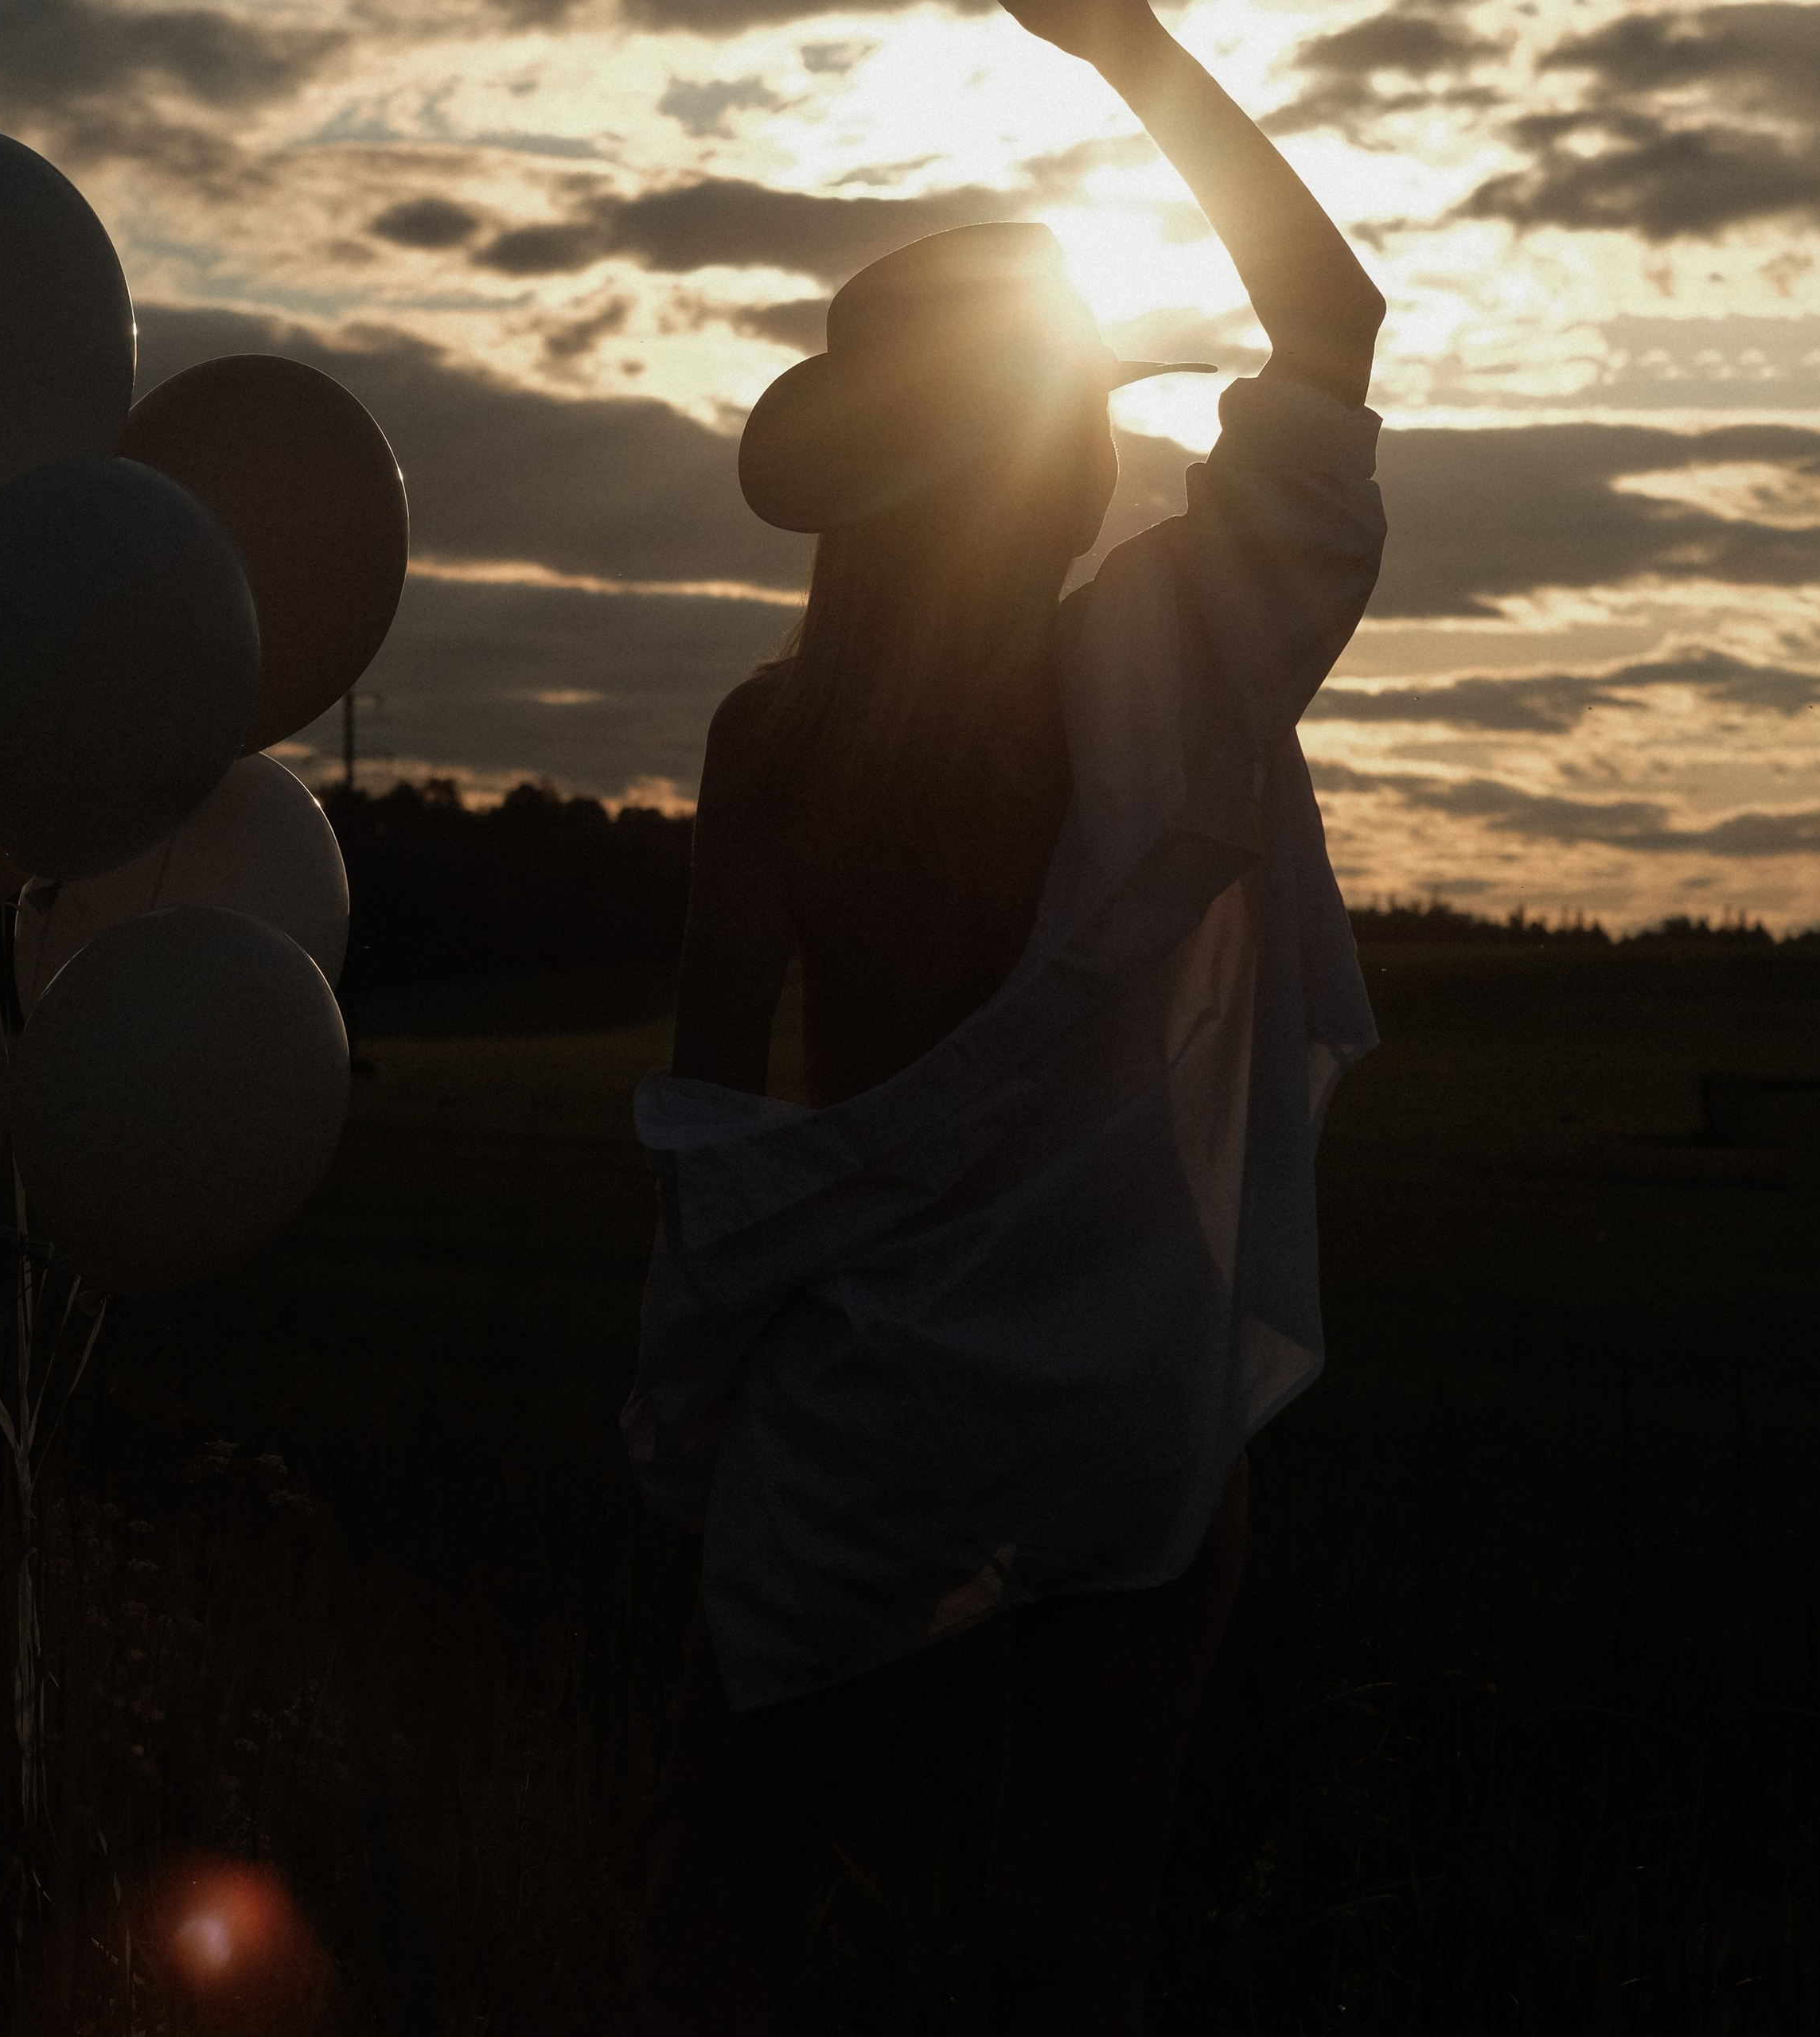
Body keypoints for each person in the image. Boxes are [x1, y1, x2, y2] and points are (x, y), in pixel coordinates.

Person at [622, 0, 1387, 2027]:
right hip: (1121, 1378)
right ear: (1046, 468)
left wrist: (686, 1434)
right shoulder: (1156, 670)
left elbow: (712, 1127)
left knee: (730, 1896)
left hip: (858, 1389)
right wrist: (1128, 49)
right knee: (1069, 1922)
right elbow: (1332, 325)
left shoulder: (774, 739)